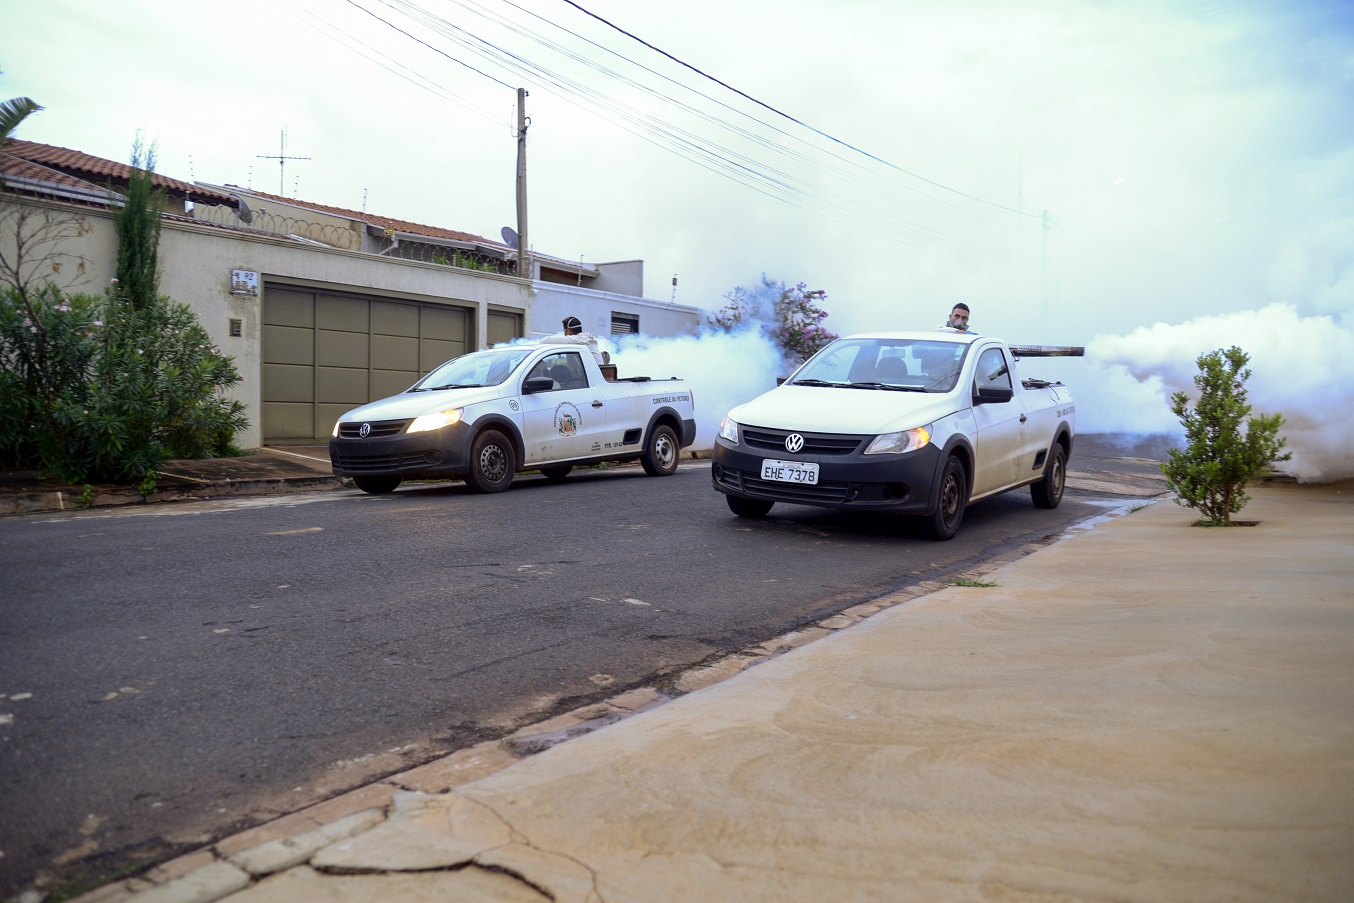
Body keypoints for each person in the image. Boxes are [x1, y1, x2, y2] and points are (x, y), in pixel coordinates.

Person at [541, 315, 607, 366]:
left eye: (564, 331)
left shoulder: (577, 340)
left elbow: (544, 341)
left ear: (568, 331)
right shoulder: (586, 338)